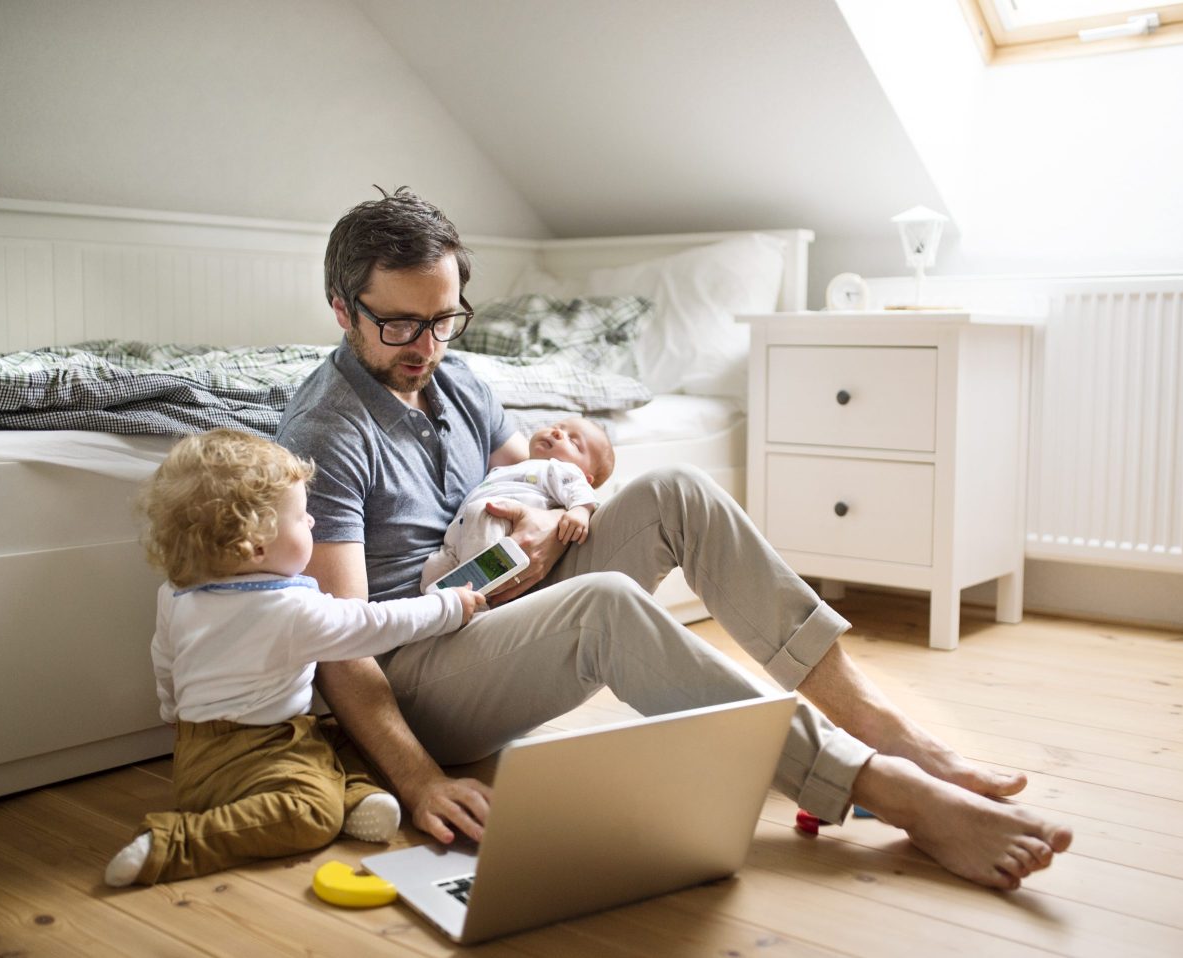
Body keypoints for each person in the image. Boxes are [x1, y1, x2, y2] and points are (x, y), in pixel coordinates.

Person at [277, 187, 1073, 891]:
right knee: (604, 604)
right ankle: (887, 790)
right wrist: (418, 782)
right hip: (415, 677)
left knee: (676, 491)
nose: (425, 345)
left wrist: (560, 517)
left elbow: (529, 479)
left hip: (492, 608)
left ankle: (884, 729)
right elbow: (342, 646)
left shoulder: (456, 379)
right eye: (399, 324)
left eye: (444, 319)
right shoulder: (328, 431)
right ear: (344, 312)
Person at [104, 429, 486, 887]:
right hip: (251, 758)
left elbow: (164, 659)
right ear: (257, 544)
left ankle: (355, 797)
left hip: (197, 748)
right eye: (303, 517)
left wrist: (171, 710)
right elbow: (375, 624)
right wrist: (451, 607)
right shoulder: (289, 609)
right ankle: (175, 842)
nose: (311, 525)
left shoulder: (178, 594)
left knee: (338, 734)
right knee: (309, 814)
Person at [419, 416, 613, 592]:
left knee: (482, 517)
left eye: (573, 441)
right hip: (460, 535)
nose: (557, 432)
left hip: (500, 524)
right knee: (433, 571)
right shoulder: (513, 467)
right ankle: (442, 608)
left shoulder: (559, 469)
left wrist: (581, 509)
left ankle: (475, 600)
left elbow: (579, 489)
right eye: (556, 426)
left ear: (585, 475)